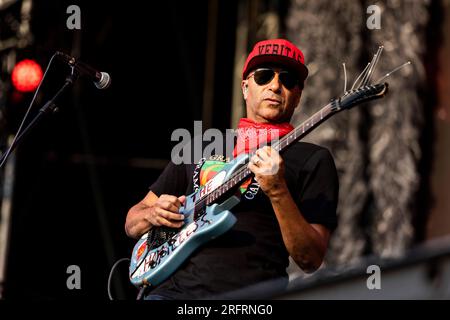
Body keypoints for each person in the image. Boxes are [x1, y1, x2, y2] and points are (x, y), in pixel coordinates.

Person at [125, 38, 339, 300]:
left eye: (288, 79)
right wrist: (153, 215)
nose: (275, 85)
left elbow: (310, 259)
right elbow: (132, 221)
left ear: (298, 95)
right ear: (245, 87)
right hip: (171, 293)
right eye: (263, 76)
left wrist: (278, 191)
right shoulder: (200, 144)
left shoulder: (314, 159)